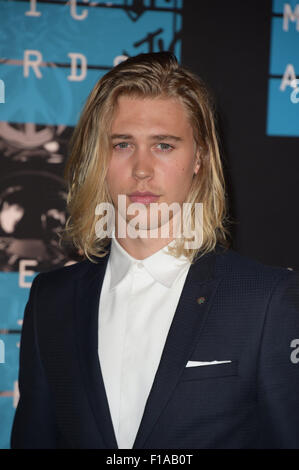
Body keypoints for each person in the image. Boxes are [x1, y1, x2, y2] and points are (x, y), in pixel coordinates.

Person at [11, 52, 299, 449]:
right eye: (123, 144)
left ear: (199, 158)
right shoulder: (51, 300)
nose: (142, 168)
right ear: (99, 158)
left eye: (164, 145)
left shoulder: (267, 300)